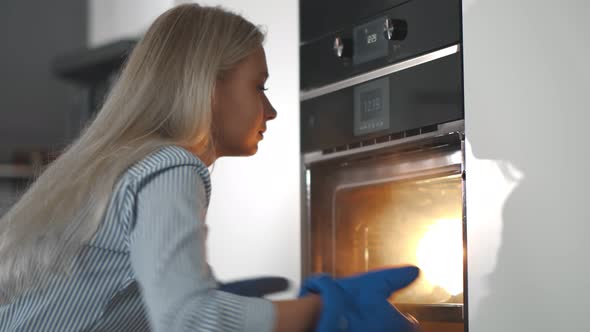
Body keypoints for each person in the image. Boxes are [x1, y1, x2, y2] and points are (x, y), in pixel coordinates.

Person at [0, 4, 419, 332]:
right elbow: (189, 323)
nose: (270, 111)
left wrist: (220, 303)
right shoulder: (169, 166)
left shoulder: (118, 164)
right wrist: (325, 309)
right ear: (208, 86)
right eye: (260, 86)